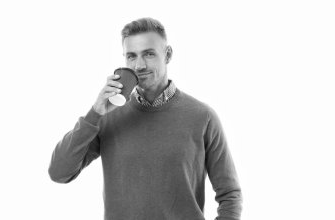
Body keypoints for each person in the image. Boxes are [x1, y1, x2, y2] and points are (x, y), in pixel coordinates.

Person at [48, 17, 242, 220]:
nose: (139, 65)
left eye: (149, 54)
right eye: (131, 56)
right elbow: (59, 172)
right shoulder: (107, 117)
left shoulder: (203, 117)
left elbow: (230, 194)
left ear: (167, 55)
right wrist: (95, 113)